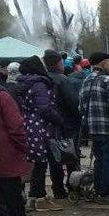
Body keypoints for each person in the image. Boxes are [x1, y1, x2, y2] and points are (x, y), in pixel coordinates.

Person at [0, 59, 45, 216]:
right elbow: (16, 127)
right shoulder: (1, 96)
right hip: (2, 152)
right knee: (12, 193)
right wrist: (23, 147)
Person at [14, 55, 66, 211]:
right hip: (41, 126)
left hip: (28, 125)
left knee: (36, 162)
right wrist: (59, 120)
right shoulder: (39, 84)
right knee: (41, 163)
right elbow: (44, 108)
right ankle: (40, 198)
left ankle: (32, 198)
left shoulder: (22, 83)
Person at [79, 52, 109, 204]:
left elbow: (81, 107)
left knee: (100, 160)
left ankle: (99, 190)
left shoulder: (86, 80)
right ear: (103, 62)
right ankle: (104, 193)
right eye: (108, 61)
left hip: (93, 128)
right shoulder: (108, 80)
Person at [43, 49, 81, 196]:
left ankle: (58, 188)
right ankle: (73, 187)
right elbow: (73, 102)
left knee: (54, 158)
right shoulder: (62, 79)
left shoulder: (43, 78)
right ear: (58, 63)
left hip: (48, 124)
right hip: (66, 123)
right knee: (70, 155)